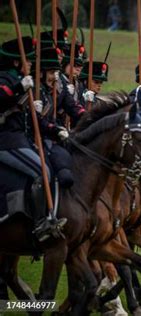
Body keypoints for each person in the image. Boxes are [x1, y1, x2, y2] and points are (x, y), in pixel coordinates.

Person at [0, 36, 67, 242]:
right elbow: (2, 98)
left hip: (22, 140)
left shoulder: (23, 82)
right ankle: (42, 223)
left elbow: (34, 118)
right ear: (16, 62)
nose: (30, 64)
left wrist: (55, 130)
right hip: (7, 141)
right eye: (27, 60)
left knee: (51, 166)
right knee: (42, 171)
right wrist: (20, 88)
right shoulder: (4, 79)